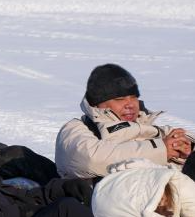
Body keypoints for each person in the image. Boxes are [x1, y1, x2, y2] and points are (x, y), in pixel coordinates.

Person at [55, 63, 189, 179]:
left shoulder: (147, 126)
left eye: (134, 97)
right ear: (97, 103)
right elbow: (91, 160)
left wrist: (184, 147)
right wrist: (161, 150)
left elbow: (183, 138)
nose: (130, 104)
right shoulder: (75, 129)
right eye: (119, 99)